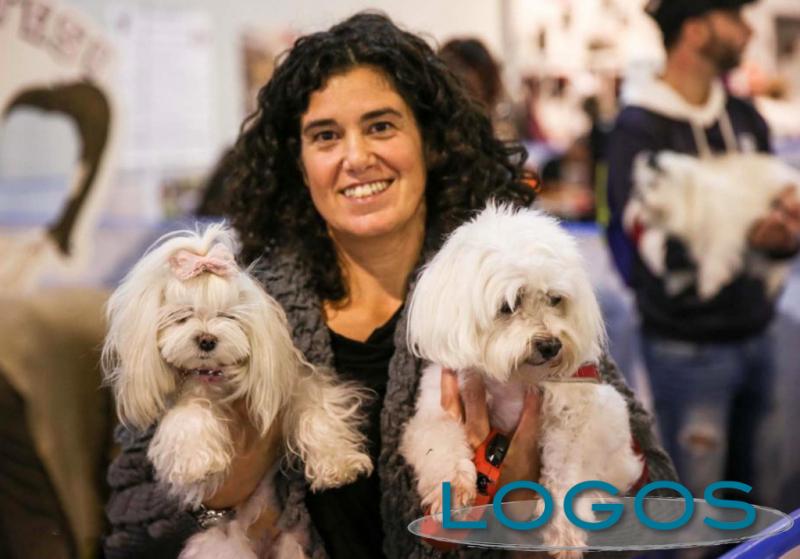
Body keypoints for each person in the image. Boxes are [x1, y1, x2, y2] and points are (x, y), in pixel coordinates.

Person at [105, 12, 676, 559]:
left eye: (380, 126)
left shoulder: (508, 280)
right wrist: (220, 502)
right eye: (325, 136)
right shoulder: (232, 301)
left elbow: (650, 496)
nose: (356, 157)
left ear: (431, 140)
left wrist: (524, 496)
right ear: (298, 162)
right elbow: (134, 527)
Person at [606, 0, 800, 502]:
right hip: (687, 350)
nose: (746, 31)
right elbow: (637, 247)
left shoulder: (743, 116)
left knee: (765, 505)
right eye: (733, 17)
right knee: (699, 512)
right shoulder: (638, 128)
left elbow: (777, 216)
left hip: (760, 331)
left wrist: (782, 239)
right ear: (694, 30)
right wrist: (734, 242)